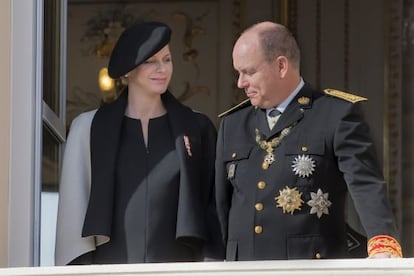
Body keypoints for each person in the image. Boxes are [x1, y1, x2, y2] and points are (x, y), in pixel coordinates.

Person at [215, 21, 403, 261]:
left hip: (308, 265)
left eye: (249, 72)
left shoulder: (335, 114)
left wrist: (383, 244)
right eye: (238, 72)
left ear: (281, 66)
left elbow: (365, 184)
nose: (240, 83)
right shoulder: (233, 124)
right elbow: (220, 206)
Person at [55, 21, 222, 265]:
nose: (162, 69)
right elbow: (74, 214)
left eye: (167, 59)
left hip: (181, 269)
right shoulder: (87, 129)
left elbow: (211, 210)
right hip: (108, 270)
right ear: (127, 70)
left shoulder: (198, 128)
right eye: (150, 61)